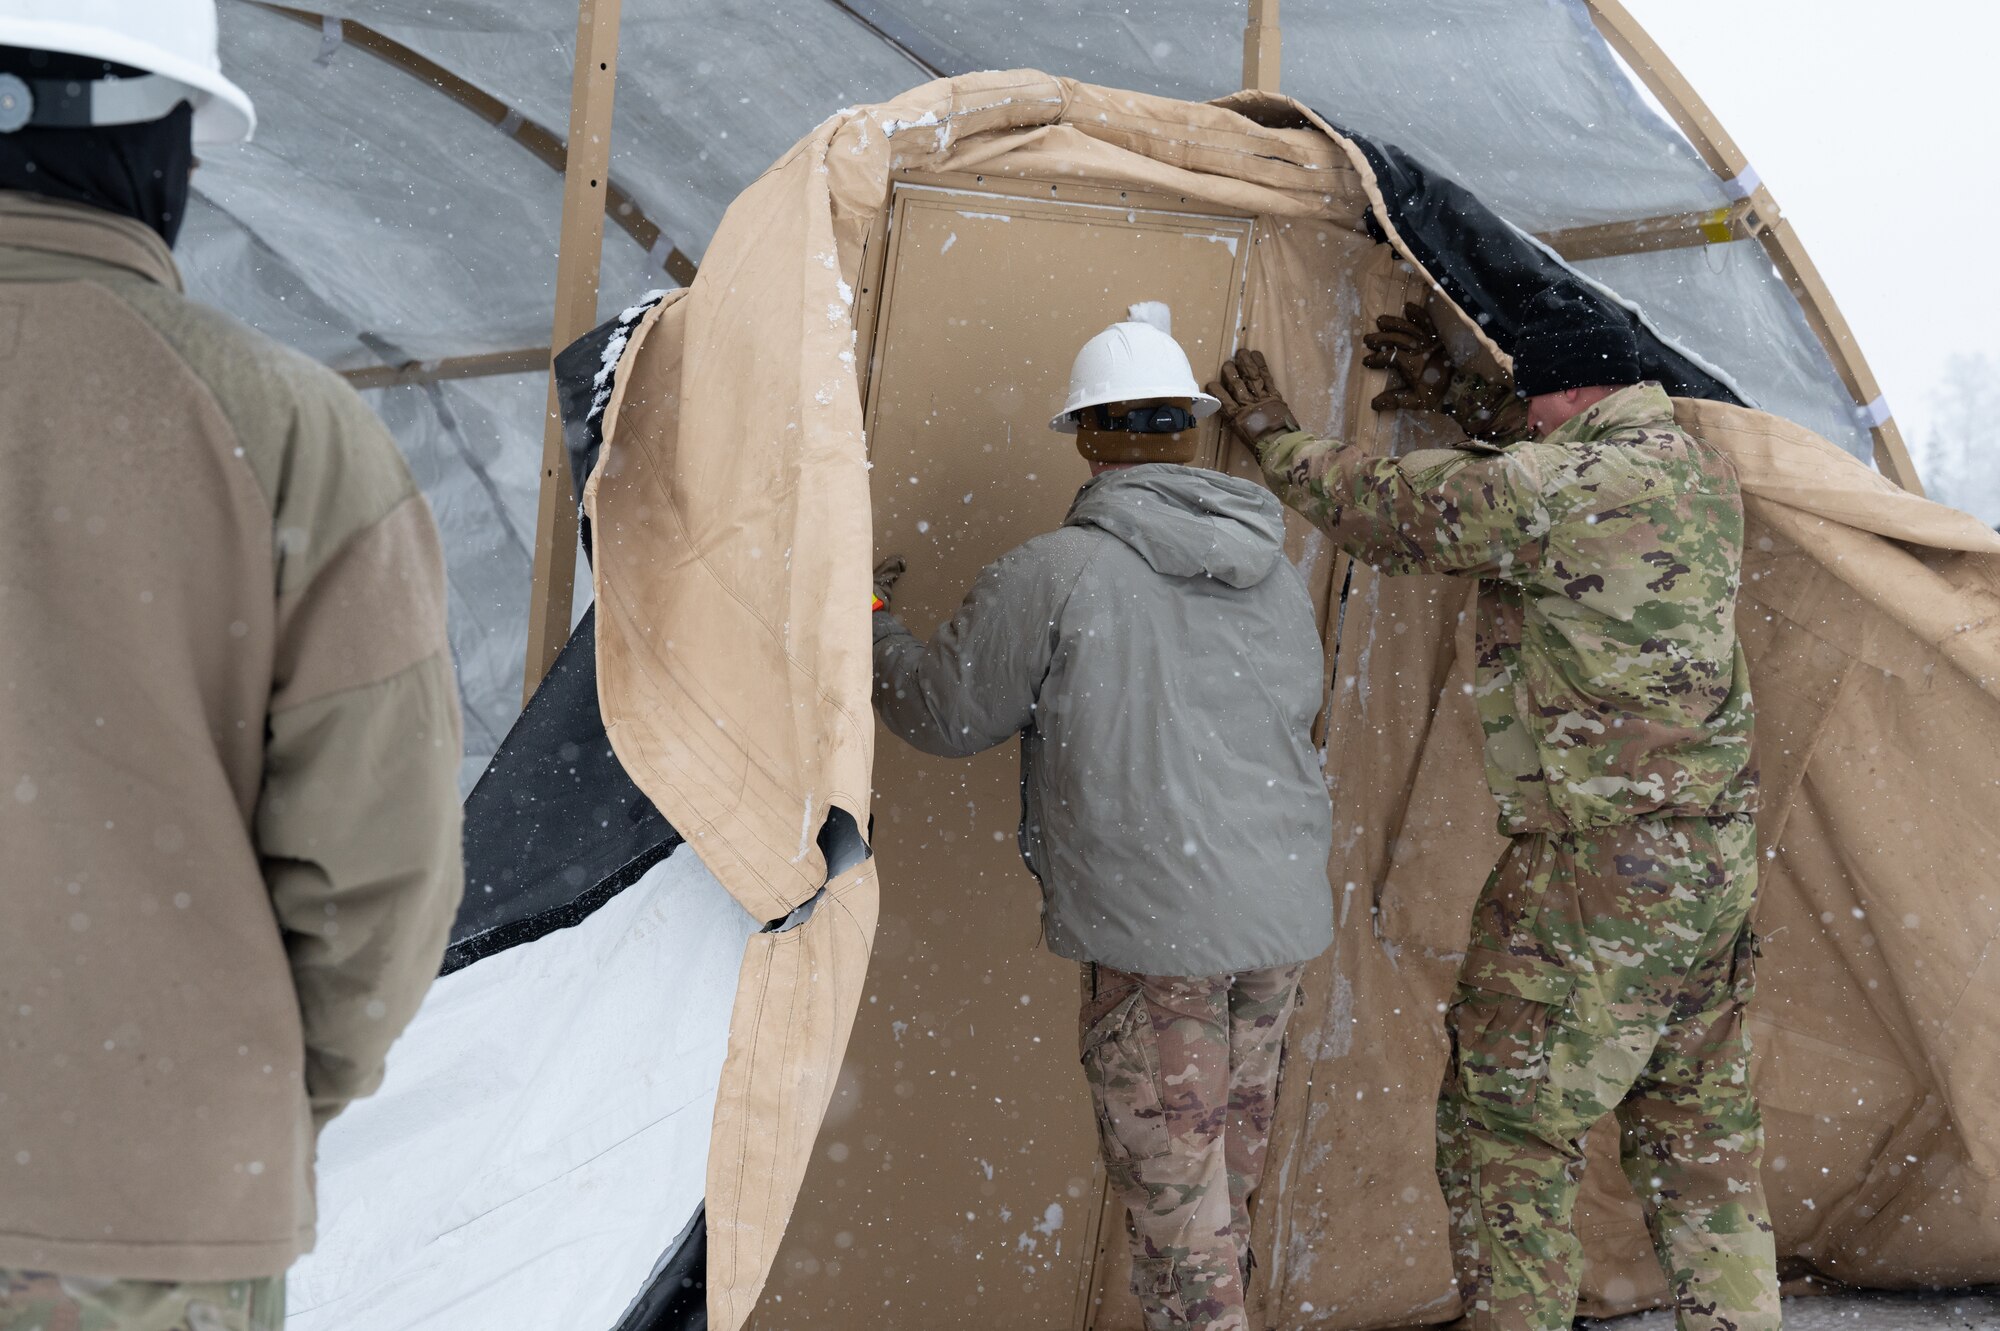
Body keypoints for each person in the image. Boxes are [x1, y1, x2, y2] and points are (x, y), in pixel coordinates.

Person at [0, 7, 464, 1329]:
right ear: (161, 148)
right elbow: (379, 871)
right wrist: (231, 1084)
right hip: (140, 1226)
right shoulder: (283, 426)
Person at [1208, 292, 1779, 1331]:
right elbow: (1538, 462)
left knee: (1505, 1132)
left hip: (1596, 872)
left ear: (1561, 393)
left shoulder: (1554, 483)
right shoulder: (1698, 467)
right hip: (1711, 867)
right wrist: (1466, 396)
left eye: (1531, 402)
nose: (1531, 419)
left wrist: (1272, 435)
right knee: (1698, 1141)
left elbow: (1387, 510)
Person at [871, 303, 1333, 1331]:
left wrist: (871, 625)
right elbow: (1300, 715)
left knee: (1177, 1222)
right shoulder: (1268, 569)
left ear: (1085, 436)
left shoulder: (1056, 571)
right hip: (1277, 923)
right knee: (1223, 1191)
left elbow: (944, 712)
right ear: (1186, 428)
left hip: (1159, 931)